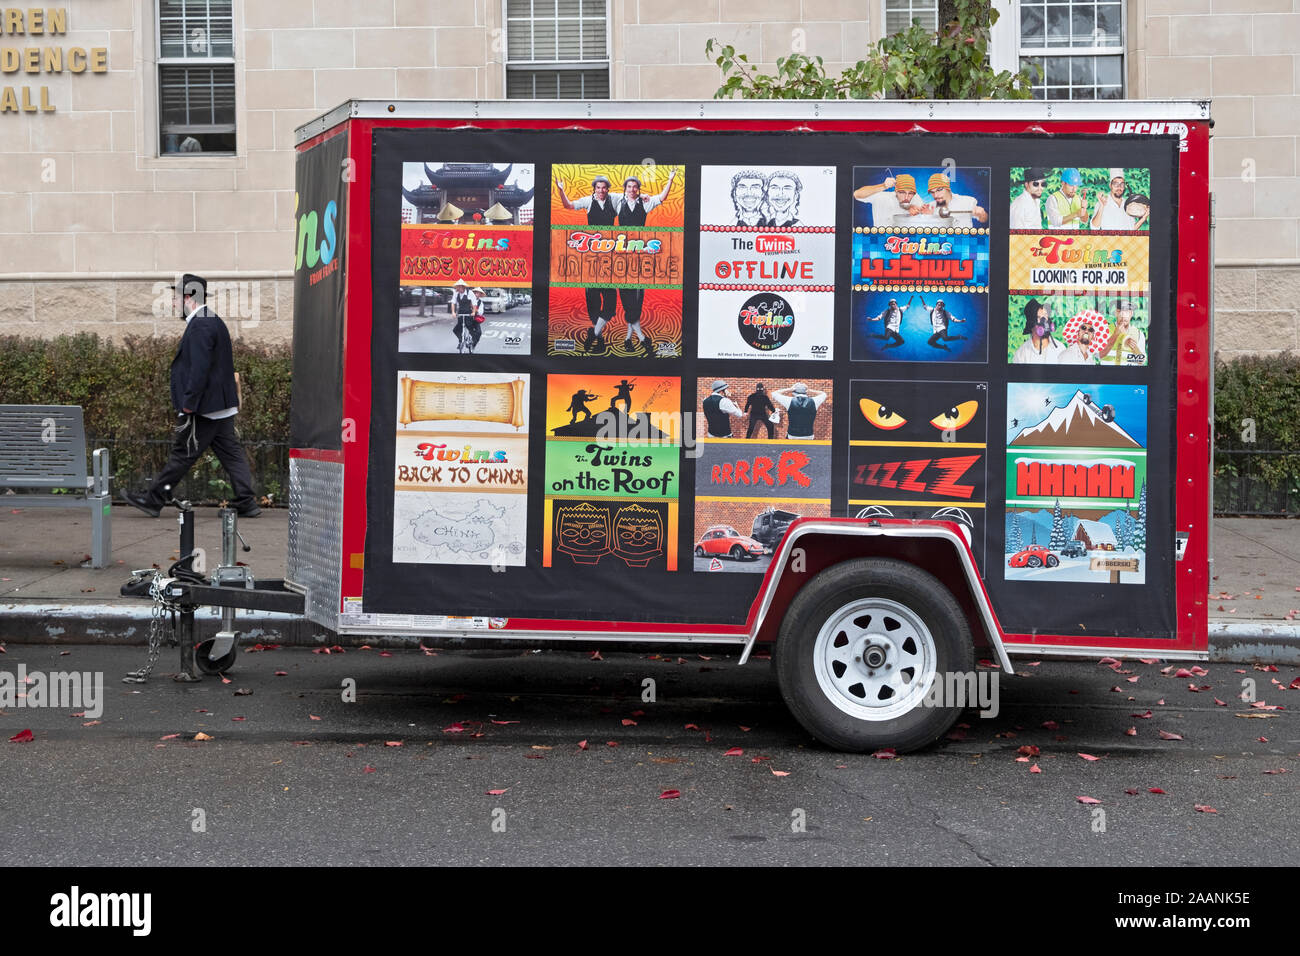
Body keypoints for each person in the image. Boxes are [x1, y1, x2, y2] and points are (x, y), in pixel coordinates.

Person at [125, 274, 259, 518]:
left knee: (182, 454)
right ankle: (246, 501)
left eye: (176, 298)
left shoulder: (201, 325)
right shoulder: (210, 320)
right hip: (219, 406)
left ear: (188, 298)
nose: (174, 303)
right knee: (231, 454)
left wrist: (189, 405)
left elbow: (200, 369)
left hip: (203, 408)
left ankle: (153, 499)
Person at [615, 172, 677, 356]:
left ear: (638, 189)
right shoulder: (617, 202)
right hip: (623, 256)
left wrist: (670, 179)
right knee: (627, 297)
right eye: (629, 186)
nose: (632, 189)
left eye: (635, 187)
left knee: (638, 297)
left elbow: (662, 197)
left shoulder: (645, 202)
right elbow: (598, 197)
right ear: (625, 189)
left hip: (641, 255)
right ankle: (641, 338)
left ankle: (628, 340)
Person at [555, 174, 619, 353]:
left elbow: (631, 200)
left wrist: (643, 198)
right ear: (594, 189)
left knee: (610, 300)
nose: (601, 190)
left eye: (604, 187)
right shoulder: (588, 201)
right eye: (598, 188)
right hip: (590, 255)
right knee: (592, 299)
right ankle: (599, 339)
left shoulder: (614, 200)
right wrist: (561, 190)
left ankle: (593, 333)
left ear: (608, 189)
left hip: (609, 254)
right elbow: (568, 205)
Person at [853, 173, 924, 226]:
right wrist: (883, 186)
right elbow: (857, 194)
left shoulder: (915, 197)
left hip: (906, 242)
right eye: (902, 192)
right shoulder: (882, 197)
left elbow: (922, 211)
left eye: (910, 193)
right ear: (896, 191)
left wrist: (914, 208)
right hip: (881, 240)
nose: (906, 197)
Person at [1011, 298, 1065, 364]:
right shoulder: (1021, 354)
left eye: (1045, 316)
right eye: (1039, 317)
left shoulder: (1060, 349)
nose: (1044, 321)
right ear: (1031, 324)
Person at [1100, 299, 1147, 366]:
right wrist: (1115, 335)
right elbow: (1099, 355)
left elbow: (1141, 362)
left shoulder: (1139, 334)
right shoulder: (1105, 330)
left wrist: (1133, 346)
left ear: (1131, 314)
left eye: (1126, 312)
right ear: (1116, 313)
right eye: (1119, 312)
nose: (1123, 316)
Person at [448, 279, 483, 351]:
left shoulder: (469, 293)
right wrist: (453, 312)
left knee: (469, 325)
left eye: (458, 287)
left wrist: (473, 312)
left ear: (463, 287)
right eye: (457, 287)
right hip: (460, 312)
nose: (457, 289)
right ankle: (461, 340)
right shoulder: (456, 293)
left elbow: (474, 304)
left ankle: (472, 342)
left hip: (468, 313)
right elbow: (453, 303)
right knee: (456, 329)